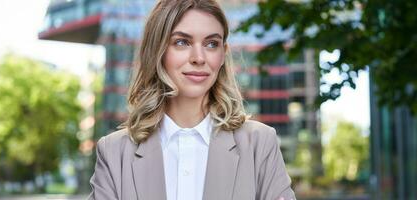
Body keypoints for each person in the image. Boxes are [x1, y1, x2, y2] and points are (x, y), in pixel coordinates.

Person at [88, 0, 296, 199]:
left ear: (223, 54)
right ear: (157, 50)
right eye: (182, 42)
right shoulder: (115, 152)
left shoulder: (259, 143)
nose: (199, 57)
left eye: (211, 44)